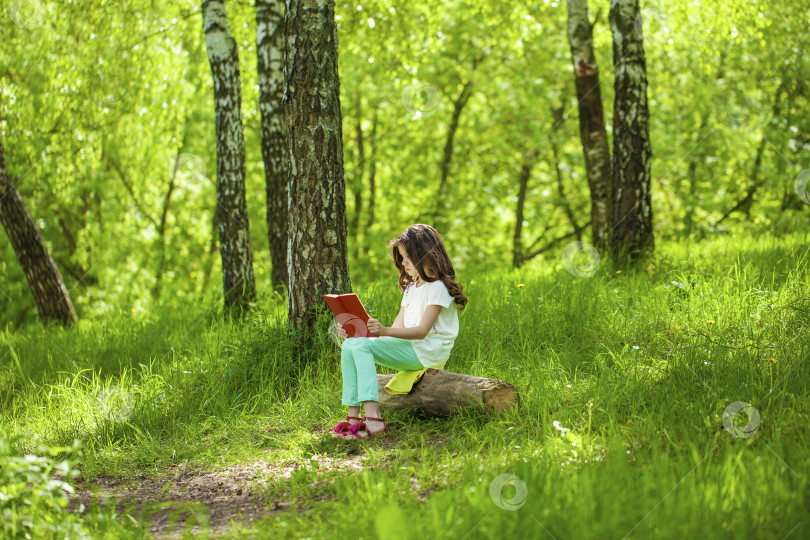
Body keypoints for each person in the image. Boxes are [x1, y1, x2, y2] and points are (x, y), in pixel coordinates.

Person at [331, 224, 468, 440]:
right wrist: (356, 332)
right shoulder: (412, 288)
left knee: (360, 344)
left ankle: (374, 418)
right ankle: (353, 417)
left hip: (426, 352)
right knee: (351, 344)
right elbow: (395, 330)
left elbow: (422, 331)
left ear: (424, 255)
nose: (403, 263)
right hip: (410, 348)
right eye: (401, 258)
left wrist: (383, 330)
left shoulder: (438, 288)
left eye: (407, 257)